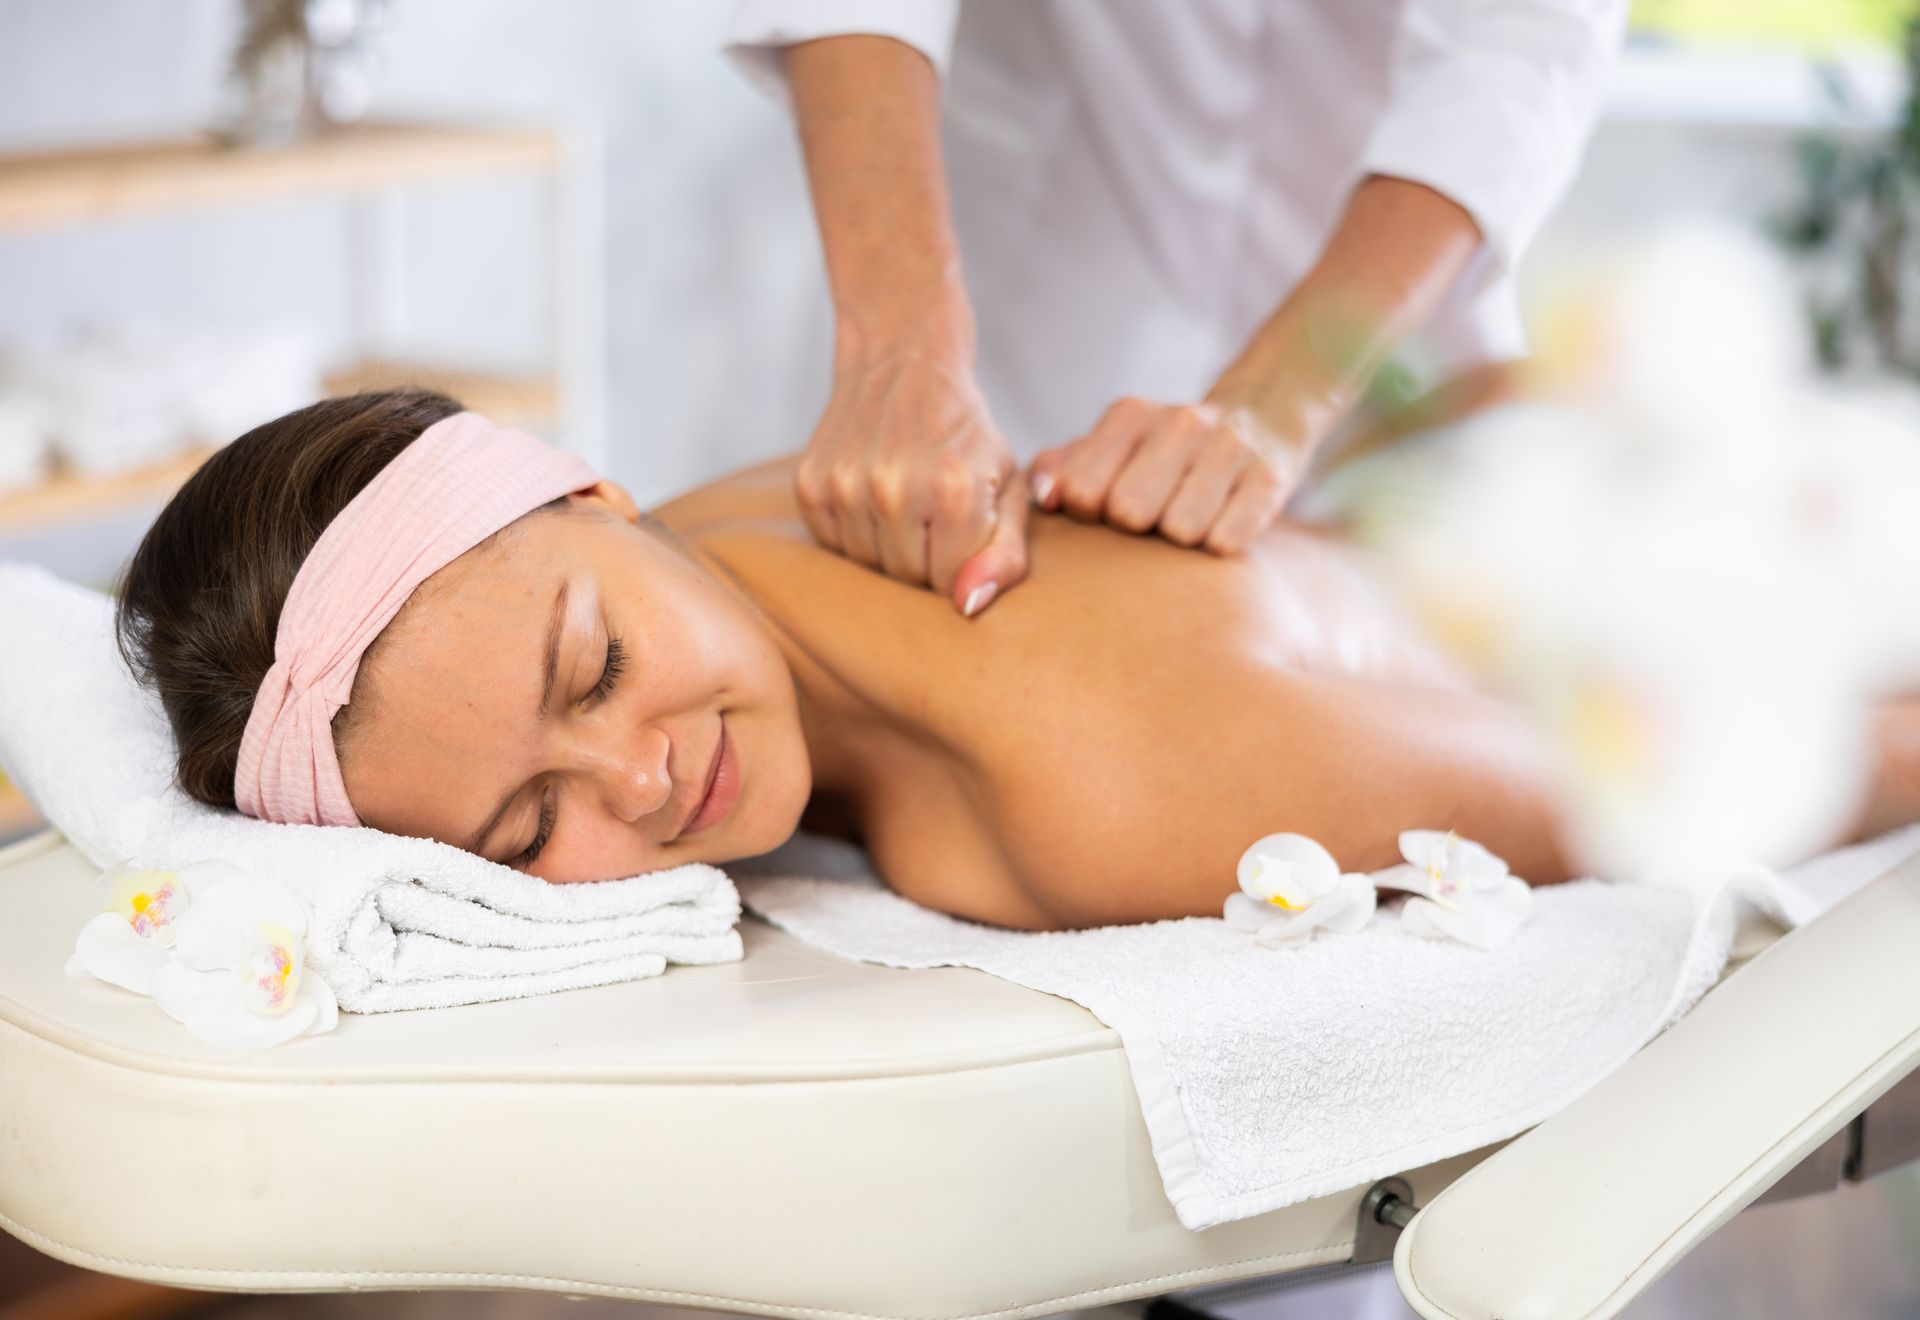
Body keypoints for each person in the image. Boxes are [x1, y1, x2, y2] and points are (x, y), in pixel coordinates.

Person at [115, 392, 1920, 931]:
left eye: (592, 675)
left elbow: (1723, 772)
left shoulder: (1107, 794)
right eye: (522, 838)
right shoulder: (741, 524)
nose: (640, 782)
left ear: (600, 487)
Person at [723, 1, 1628, 616]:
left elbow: (1517, 47)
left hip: (1398, 327)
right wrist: (901, 345)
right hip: (1018, 280)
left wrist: (1289, 395)